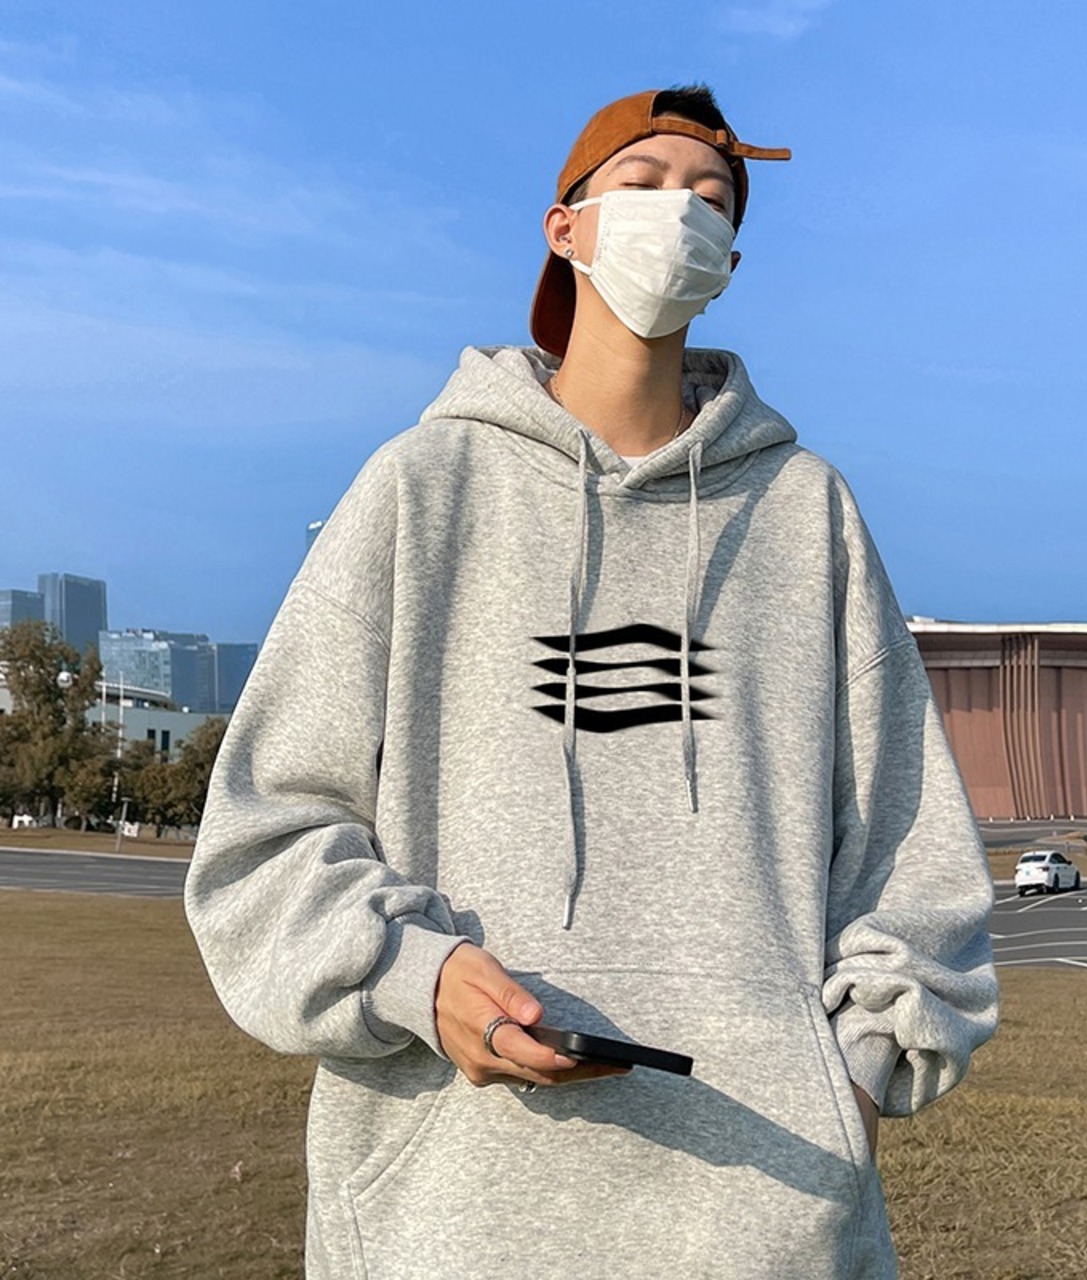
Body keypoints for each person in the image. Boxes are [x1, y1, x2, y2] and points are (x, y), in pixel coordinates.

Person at [185, 85, 998, 1279]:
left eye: (711, 198)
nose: (681, 213)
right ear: (563, 226)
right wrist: (420, 976)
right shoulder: (422, 489)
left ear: (729, 261)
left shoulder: (804, 511)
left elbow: (905, 854)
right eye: (645, 183)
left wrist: (851, 1084)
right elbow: (266, 839)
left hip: (765, 1227)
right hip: (447, 1219)